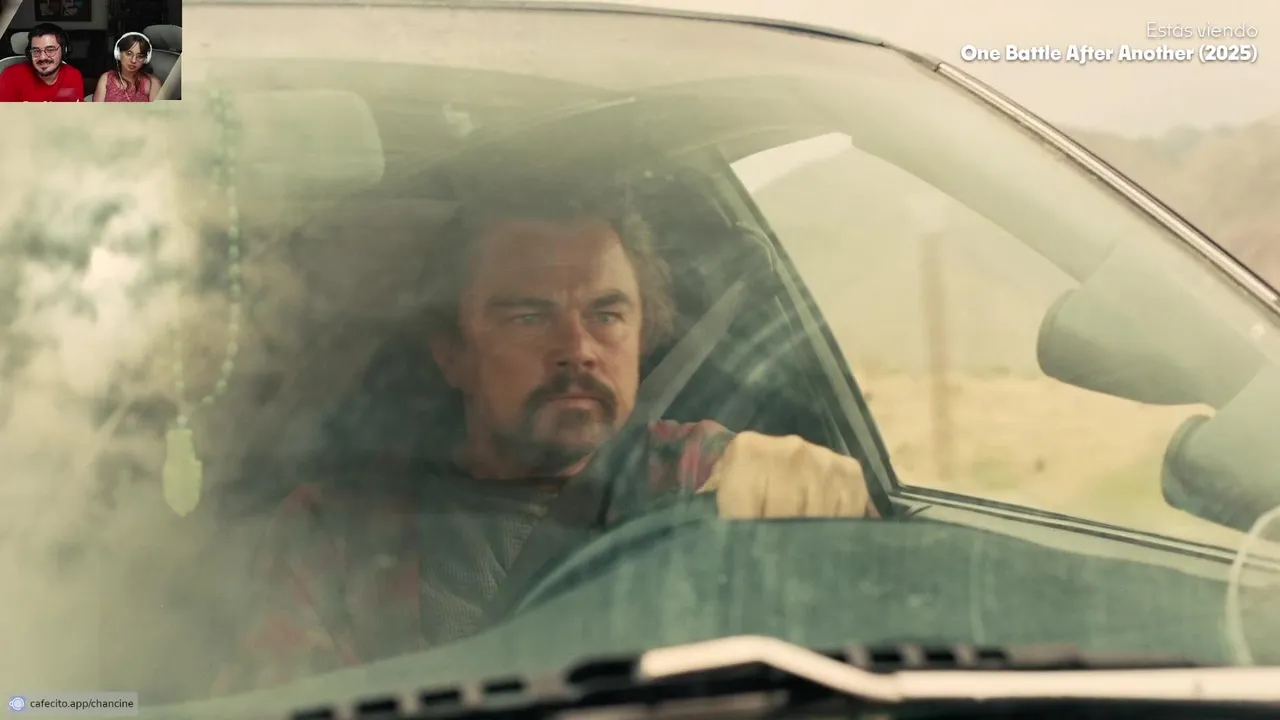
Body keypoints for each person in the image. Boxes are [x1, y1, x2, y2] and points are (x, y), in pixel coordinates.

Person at [211, 183, 878, 694]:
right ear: (452, 352)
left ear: (642, 335)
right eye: (529, 316)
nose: (577, 348)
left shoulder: (695, 471)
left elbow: (869, 633)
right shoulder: (339, 532)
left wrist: (819, 496)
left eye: (607, 314)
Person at [0, 23, 84, 102]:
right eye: (36, 51)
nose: (42, 57)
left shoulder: (73, 75)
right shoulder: (10, 76)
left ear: (64, 51)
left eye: (50, 50)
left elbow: (75, 111)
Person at [92, 32, 162, 102]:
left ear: (146, 59)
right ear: (118, 53)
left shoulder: (153, 83)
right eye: (129, 54)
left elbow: (157, 109)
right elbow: (97, 108)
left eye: (140, 56)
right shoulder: (106, 78)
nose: (133, 60)